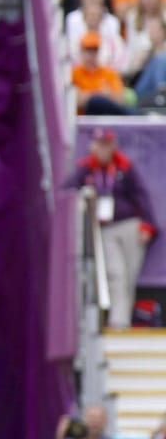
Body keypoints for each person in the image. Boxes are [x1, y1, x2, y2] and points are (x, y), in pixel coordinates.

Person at [67, 127, 158, 326]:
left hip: (130, 227)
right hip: (106, 229)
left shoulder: (124, 167)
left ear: (113, 146)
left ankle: (123, 320)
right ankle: (118, 322)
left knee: (129, 276)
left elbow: (142, 197)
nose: (102, 149)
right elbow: (67, 190)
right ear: (92, 146)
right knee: (115, 273)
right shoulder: (86, 168)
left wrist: (148, 225)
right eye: (99, 144)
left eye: (106, 145)